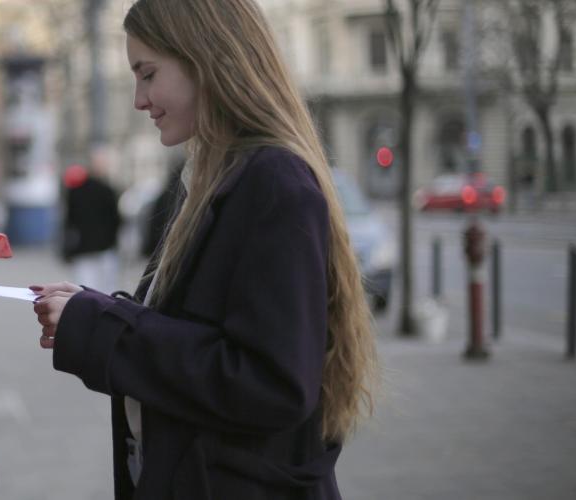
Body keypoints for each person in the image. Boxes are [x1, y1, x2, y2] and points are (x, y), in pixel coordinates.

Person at [31, 0, 379, 499]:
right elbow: (202, 331)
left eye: (148, 74)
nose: (139, 99)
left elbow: (272, 382)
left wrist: (102, 328)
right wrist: (96, 310)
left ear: (205, 59)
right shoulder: (217, 178)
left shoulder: (273, 182)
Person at [61, 147, 123, 294]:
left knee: (83, 290)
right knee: (107, 291)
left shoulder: (75, 191)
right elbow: (116, 220)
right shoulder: (108, 190)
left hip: (83, 248)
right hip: (104, 248)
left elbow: (69, 221)